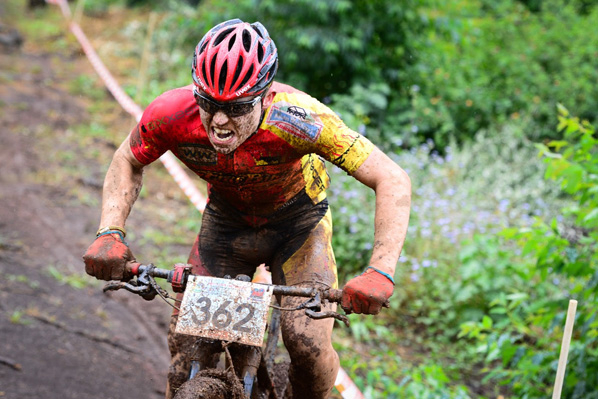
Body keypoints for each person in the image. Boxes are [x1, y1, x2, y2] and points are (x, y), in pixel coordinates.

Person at [83, 18, 411, 399]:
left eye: (236, 107)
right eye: (208, 103)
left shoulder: (300, 119)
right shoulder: (171, 114)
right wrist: (110, 231)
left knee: (307, 347)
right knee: (185, 355)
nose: (219, 120)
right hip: (226, 226)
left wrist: (379, 271)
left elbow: (392, 177)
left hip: (299, 227)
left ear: (265, 95)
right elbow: (127, 159)